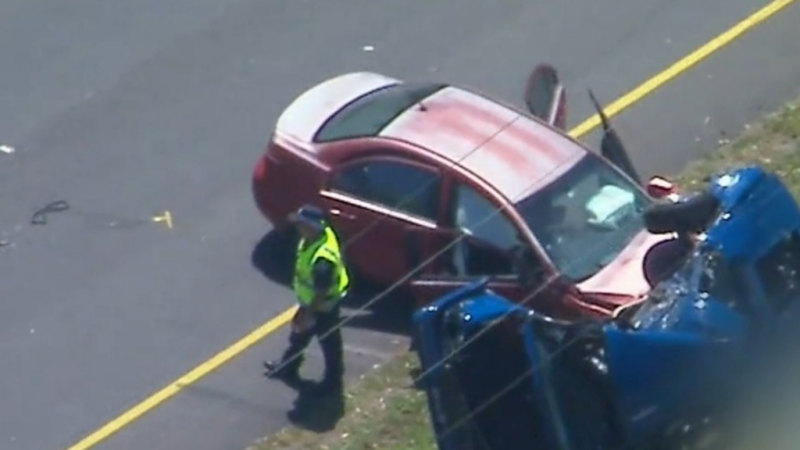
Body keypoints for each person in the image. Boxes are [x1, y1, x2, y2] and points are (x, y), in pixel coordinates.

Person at [263, 204, 351, 396]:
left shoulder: (322, 260)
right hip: (310, 302)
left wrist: (308, 314)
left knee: (329, 342)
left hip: (322, 306)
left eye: (301, 224)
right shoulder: (319, 235)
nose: (298, 228)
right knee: (299, 336)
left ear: (312, 227)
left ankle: (332, 381)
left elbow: (321, 290)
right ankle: (288, 367)